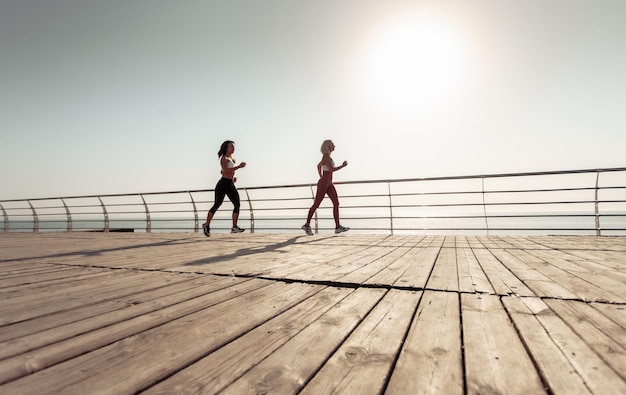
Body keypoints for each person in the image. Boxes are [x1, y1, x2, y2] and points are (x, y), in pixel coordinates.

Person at [302, 139, 350, 235]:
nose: (334, 146)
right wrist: (342, 166)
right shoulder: (325, 157)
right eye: (332, 145)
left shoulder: (327, 157)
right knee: (316, 204)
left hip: (328, 183)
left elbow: (318, 166)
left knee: (336, 203)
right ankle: (306, 225)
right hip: (324, 183)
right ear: (328, 146)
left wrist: (321, 177)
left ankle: (337, 227)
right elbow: (331, 169)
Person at [202, 140, 246, 237]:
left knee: (237, 204)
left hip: (230, 184)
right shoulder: (224, 158)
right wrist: (238, 167)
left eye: (234, 147)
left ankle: (234, 227)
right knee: (217, 204)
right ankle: (206, 224)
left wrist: (232, 177)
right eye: (232, 146)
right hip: (222, 184)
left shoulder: (232, 159)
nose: (233, 148)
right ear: (226, 148)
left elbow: (222, 171)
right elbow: (225, 170)